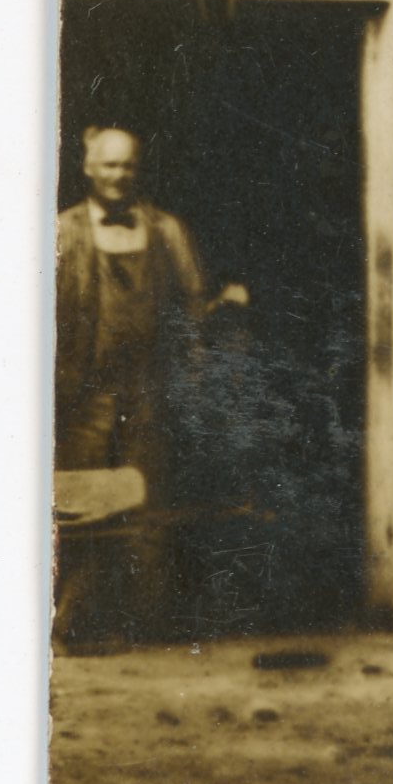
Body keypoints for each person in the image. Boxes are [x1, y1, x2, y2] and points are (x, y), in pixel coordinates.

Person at [55, 127, 237, 648]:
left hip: (149, 392)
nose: (118, 176)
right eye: (109, 165)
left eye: (127, 165)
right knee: (80, 508)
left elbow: (193, 309)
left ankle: (140, 627)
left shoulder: (167, 231)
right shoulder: (62, 231)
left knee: (147, 507)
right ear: (88, 168)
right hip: (83, 395)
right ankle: (76, 625)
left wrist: (193, 376)